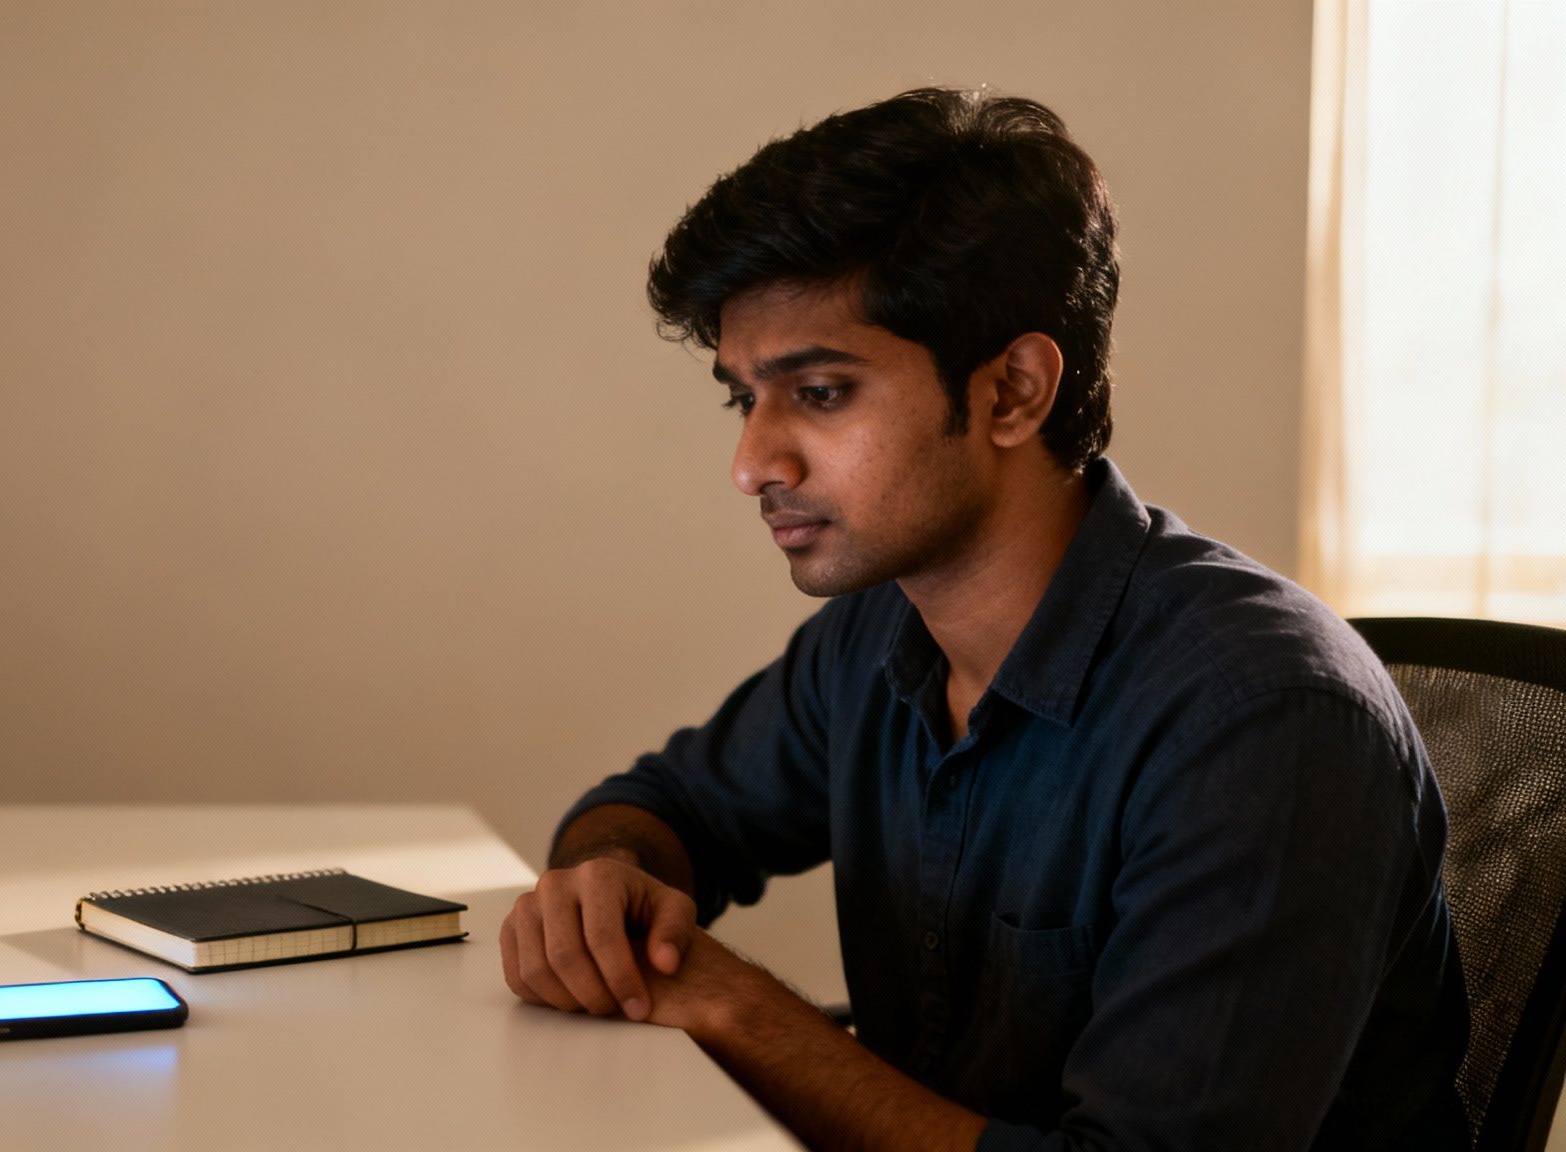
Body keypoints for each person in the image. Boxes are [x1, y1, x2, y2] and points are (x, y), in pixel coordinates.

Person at [497, 88, 1470, 1151]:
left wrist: (737, 1013)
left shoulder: (1264, 723)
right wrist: (607, 883)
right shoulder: (876, 632)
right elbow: (662, 806)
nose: (750, 465)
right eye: (744, 398)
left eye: (818, 393)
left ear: (1010, 391)